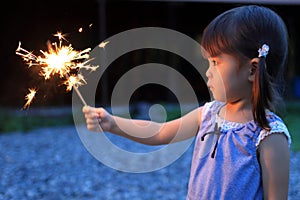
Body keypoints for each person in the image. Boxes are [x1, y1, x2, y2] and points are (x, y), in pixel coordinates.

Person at [82, 5, 292, 199]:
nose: (208, 72)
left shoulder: (269, 135)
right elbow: (160, 132)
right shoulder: (208, 114)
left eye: (215, 63)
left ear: (252, 69)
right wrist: (112, 123)